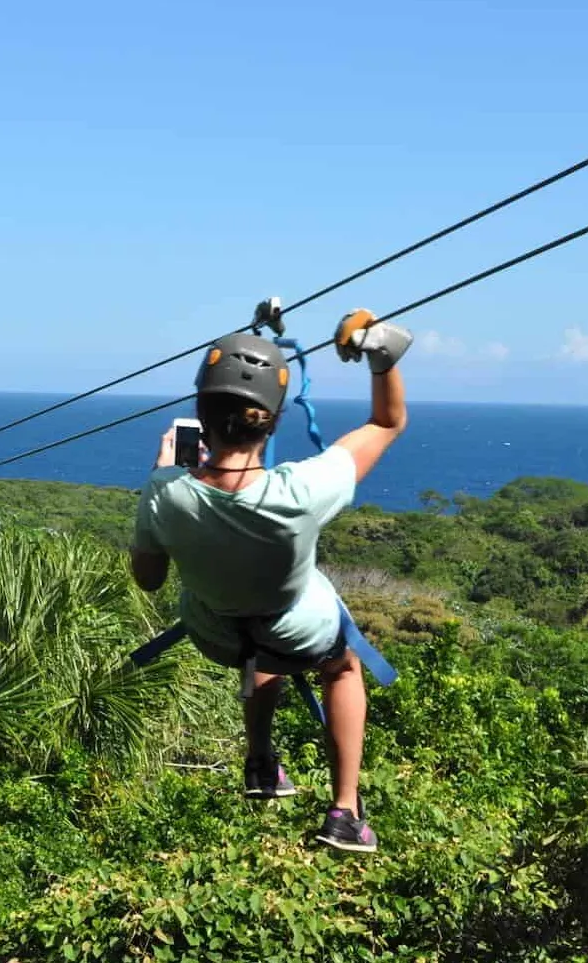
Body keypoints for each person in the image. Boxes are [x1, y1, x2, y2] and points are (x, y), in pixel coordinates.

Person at [129, 308, 411, 852]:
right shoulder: (303, 490)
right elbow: (385, 424)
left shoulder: (163, 491)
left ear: (201, 417)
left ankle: (260, 758)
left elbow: (149, 578)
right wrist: (381, 357)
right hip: (294, 632)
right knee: (341, 665)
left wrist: (162, 476)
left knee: (253, 636)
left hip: (217, 633)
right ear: (272, 421)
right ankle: (346, 811)